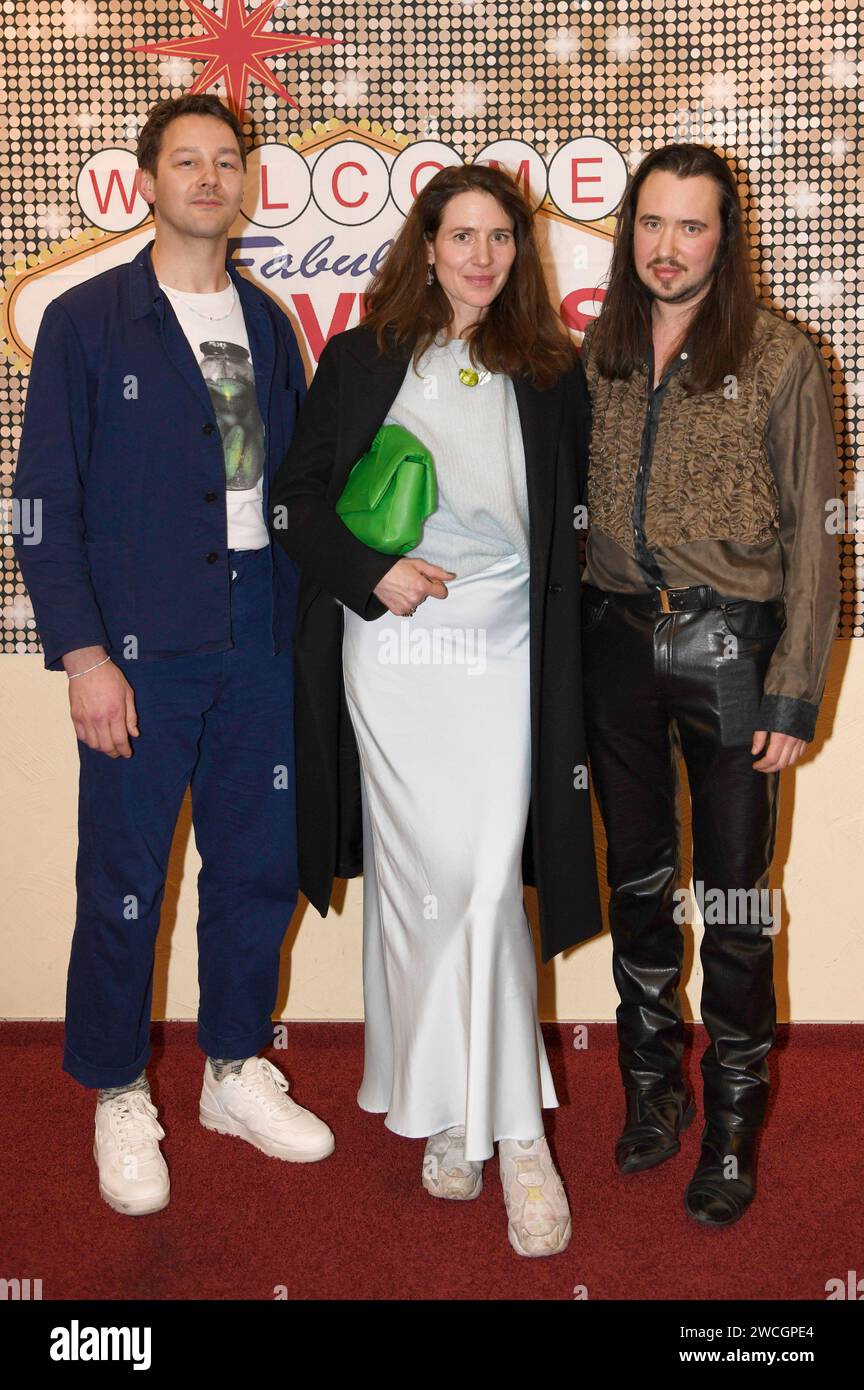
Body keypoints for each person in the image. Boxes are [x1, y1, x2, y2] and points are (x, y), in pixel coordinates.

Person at [270, 163, 602, 1257]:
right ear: (424, 244)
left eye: (500, 235)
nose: (480, 255)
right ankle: (447, 1108)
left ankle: (518, 1139)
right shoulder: (364, 356)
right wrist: (373, 571)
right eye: (460, 233)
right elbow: (296, 500)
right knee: (422, 894)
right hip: (398, 652)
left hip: (509, 654)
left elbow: (572, 527)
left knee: (482, 883)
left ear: (519, 251)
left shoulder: (551, 369)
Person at [12, 94, 334, 1218]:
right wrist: (85, 653)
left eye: (226, 161)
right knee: (124, 882)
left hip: (260, 628)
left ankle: (234, 1067)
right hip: (141, 644)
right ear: (147, 182)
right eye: (186, 161)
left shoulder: (268, 319)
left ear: (245, 185)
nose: (209, 177)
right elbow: (42, 502)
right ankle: (115, 1088)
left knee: (257, 865)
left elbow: (293, 492)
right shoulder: (85, 322)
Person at [579, 143, 841, 1226]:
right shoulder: (595, 353)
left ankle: (733, 1126)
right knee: (635, 886)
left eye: (691, 226)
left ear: (725, 238)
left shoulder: (782, 357)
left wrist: (793, 694)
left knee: (734, 897)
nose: (668, 247)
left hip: (733, 651)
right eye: (651, 223)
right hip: (615, 646)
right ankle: (652, 1094)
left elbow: (823, 544)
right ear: (629, 230)